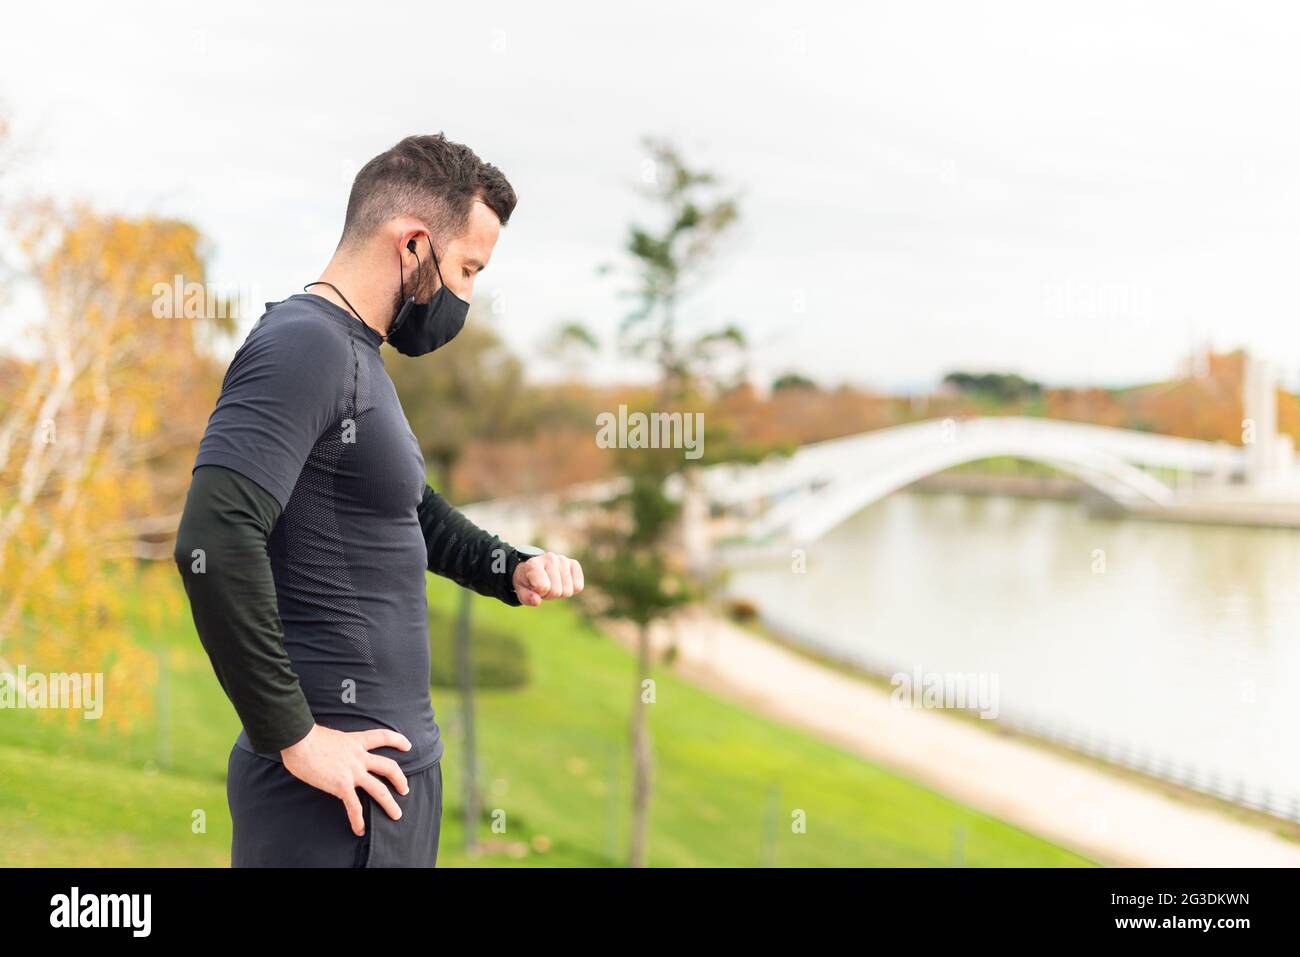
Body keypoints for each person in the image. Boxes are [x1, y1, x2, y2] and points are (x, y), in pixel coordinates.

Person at [173, 133, 584, 867]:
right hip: (329, 804)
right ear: (413, 244)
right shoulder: (305, 345)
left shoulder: (356, 351)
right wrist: (294, 735)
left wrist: (507, 566)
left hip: (385, 790)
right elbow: (214, 538)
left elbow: (408, 509)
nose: (464, 297)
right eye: (466, 269)